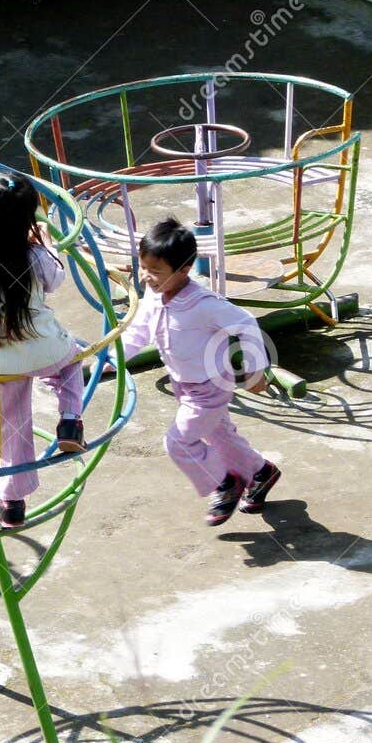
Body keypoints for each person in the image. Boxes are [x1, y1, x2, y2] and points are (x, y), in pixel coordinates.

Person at [121, 218, 281, 527]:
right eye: (143, 268)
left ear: (184, 269)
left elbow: (245, 323)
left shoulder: (203, 304)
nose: (147, 277)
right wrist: (113, 359)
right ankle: (261, 472)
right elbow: (138, 332)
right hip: (183, 384)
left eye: (156, 272)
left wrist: (255, 371)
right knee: (219, 436)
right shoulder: (154, 296)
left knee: (179, 443)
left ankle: (225, 483)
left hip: (208, 388)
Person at [0, 173, 87, 529]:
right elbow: (56, 281)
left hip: (5, 361)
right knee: (74, 361)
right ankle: (71, 421)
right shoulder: (34, 256)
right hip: (49, 348)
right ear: (26, 218)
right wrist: (46, 244)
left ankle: (12, 503)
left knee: (13, 426)